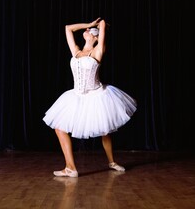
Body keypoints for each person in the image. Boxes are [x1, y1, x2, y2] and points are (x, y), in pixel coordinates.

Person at [43, 18, 137, 177]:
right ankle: (70, 167)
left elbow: (102, 26)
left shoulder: (98, 51)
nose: (86, 31)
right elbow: (68, 28)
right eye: (86, 30)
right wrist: (88, 25)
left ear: (95, 37)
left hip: (96, 95)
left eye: (89, 32)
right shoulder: (77, 51)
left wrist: (99, 26)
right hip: (76, 96)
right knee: (59, 127)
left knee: (104, 129)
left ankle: (112, 161)